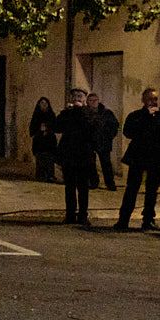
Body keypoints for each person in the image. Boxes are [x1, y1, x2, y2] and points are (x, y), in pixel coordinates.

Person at [112, 88, 160, 232]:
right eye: (149, 99)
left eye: (155, 99)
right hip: (139, 156)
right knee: (132, 188)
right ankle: (123, 219)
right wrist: (145, 117)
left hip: (156, 157)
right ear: (143, 100)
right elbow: (128, 132)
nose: (153, 102)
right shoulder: (136, 115)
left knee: (152, 190)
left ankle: (148, 219)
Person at [55, 88, 96, 226]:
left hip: (84, 155)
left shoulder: (89, 112)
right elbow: (57, 126)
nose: (77, 98)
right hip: (69, 154)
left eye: (80, 96)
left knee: (83, 187)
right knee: (70, 187)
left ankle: (83, 215)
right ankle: (70, 214)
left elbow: (91, 128)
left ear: (85, 99)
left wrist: (81, 110)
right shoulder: (67, 113)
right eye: (75, 96)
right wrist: (66, 112)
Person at [87, 93, 120, 191]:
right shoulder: (85, 113)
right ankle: (93, 182)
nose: (93, 102)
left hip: (103, 141)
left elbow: (114, 125)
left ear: (98, 101)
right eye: (91, 100)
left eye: (95, 100)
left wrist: (109, 136)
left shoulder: (106, 113)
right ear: (87, 102)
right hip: (89, 142)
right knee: (90, 163)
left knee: (106, 164)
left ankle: (110, 183)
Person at [29, 97, 59, 182]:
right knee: (40, 158)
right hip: (39, 141)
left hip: (49, 141)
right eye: (42, 103)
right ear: (39, 104)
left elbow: (55, 126)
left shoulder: (51, 115)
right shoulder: (36, 115)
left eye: (46, 103)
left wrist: (47, 128)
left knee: (49, 159)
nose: (44, 105)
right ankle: (40, 175)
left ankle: (50, 175)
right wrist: (39, 129)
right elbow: (32, 128)